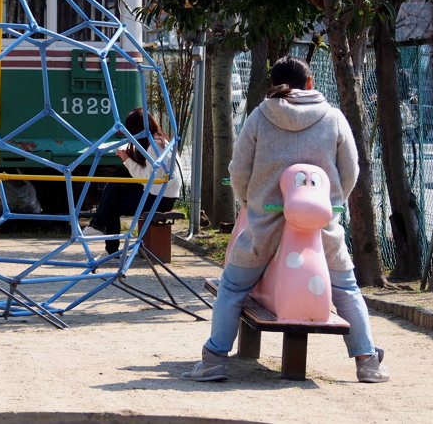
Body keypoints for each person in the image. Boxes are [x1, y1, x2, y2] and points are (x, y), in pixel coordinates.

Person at [181, 56, 390, 383]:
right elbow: (351, 171)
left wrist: (252, 203)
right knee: (346, 289)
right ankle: (367, 361)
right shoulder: (333, 118)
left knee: (233, 287)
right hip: (320, 227)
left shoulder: (261, 115)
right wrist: (332, 205)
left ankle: (214, 360)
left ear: (274, 83)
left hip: (265, 223)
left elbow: (238, 171)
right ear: (310, 82)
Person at [82, 108, 181, 254]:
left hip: (159, 198)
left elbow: (147, 178)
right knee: (113, 187)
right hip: (161, 194)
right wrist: (129, 159)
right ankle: (100, 230)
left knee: (112, 203)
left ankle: (104, 238)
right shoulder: (161, 141)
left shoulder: (154, 147)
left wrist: (127, 160)